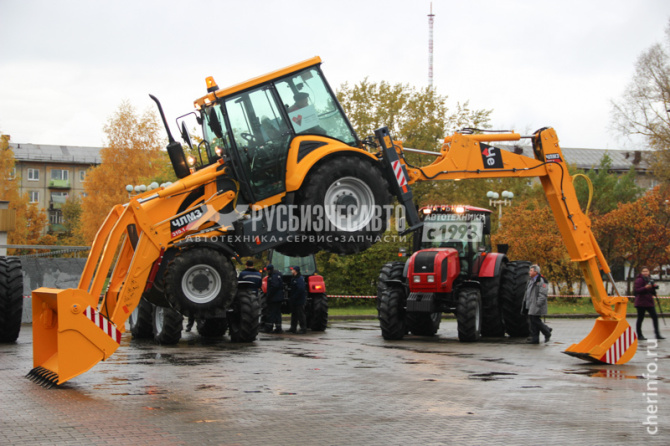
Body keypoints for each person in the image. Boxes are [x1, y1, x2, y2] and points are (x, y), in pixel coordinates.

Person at [521, 264, 552, 344]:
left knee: (535, 320)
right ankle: (535, 339)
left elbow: (543, 294)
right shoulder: (531, 280)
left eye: (531, 270)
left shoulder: (541, 281)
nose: (529, 272)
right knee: (532, 321)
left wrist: (538, 304)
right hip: (530, 304)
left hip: (536, 305)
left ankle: (547, 331)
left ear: (536, 272)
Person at [634, 267, 665, 340]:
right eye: (644, 271)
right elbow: (637, 290)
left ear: (649, 272)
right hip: (641, 302)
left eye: (646, 271)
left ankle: (657, 334)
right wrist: (646, 287)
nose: (645, 273)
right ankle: (639, 335)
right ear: (641, 272)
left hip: (649, 301)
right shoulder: (639, 280)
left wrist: (654, 290)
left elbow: (651, 290)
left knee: (655, 317)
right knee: (640, 318)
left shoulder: (649, 279)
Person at [266, 264, 285, 334]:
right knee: (277, 313)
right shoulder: (279, 275)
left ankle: (269, 327)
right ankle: (278, 328)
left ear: (269, 270)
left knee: (272, 313)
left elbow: (274, 286)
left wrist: (269, 296)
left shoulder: (273, 276)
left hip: (274, 298)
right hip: (279, 297)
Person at [288, 266, 307, 334]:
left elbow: (300, 289)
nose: (291, 271)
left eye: (292, 270)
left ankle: (303, 328)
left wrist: (294, 296)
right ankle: (293, 328)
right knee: (294, 314)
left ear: (295, 271)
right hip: (294, 300)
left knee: (300, 314)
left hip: (299, 300)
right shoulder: (294, 278)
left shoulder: (299, 278)